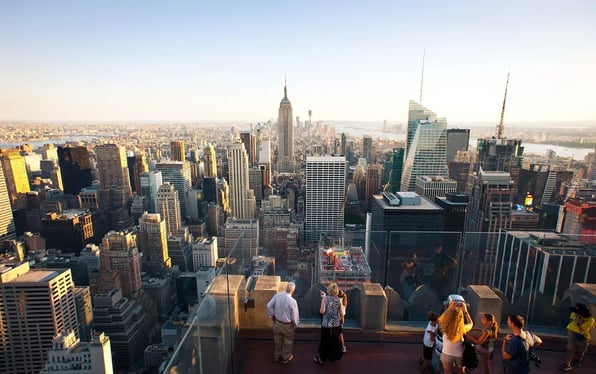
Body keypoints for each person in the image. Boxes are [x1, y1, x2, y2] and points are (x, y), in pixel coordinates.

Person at [267, 282, 300, 364]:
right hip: (287, 325)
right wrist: (295, 325)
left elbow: (269, 306)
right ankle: (286, 357)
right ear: (293, 290)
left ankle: (277, 356)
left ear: (286, 288)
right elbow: (295, 315)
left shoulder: (277, 295)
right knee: (288, 342)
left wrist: (272, 315)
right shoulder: (293, 301)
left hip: (277, 323)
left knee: (277, 340)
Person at [438, 299, 473, 374]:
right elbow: (471, 324)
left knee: (447, 372)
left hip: (446, 354)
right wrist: (465, 311)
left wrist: (449, 308)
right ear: (460, 318)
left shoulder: (445, 328)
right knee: (460, 372)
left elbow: (440, 319)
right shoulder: (462, 329)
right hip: (459, 355)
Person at [314, 283, 344, 365]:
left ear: (329, 290)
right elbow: (341, 313)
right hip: (336, 325)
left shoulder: (325, 299)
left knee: (324, 341)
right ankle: (333, 357)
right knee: (334, 341)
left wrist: (323, 299)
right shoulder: (339, 300)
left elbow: (322, 311)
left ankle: (322, 359)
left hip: (326, 325)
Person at [559, 302, 595, 372]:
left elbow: (584, 328)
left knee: (581, 349)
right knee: (570, 348)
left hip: (583, 335)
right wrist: (576, 318)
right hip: (572, 331)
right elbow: (572, 318)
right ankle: (567, 364)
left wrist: (579, 321)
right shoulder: (575, 314)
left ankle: (578, 360)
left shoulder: (590, 320)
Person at [338, 288, 348, 353]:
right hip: (341, 319)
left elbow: (341, 312)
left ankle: (343, 346)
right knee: (339, 334)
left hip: (338, 319)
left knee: (339, 334)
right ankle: (342, 346)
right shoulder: (344, 300)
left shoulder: (339, 301)